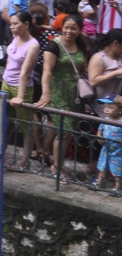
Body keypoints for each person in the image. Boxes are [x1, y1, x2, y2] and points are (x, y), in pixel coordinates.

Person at [37, 14, 89, 176]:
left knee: (63, 129)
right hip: (58, 93)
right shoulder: (54, 46)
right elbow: (46, 71)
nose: (69, 31)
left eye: (73, 28)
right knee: (65, 131)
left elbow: (83, 68)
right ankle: (57, 168)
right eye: (66, 27)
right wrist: (46, 93)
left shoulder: (81, 45)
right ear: (61, 28)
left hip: (75, 95)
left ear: (80, 30)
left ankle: (46, 154)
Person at [92, 95, 122, 196]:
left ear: (120, 110)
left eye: (110, 107)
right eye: (105, 107)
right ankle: (99, 183)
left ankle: (117, 188)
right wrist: (99, 137)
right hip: (106, 149)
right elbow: (100, 130)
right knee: (103, 167)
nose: (106, 110)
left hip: (118, 151)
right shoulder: (105, 119)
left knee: (118, 170)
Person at [88, 29, 122, 117]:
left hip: (117, 109)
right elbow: (93, 81)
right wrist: (115, 73)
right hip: (102, 109)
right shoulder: (99, 58)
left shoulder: (120, 58)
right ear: (115, 43)